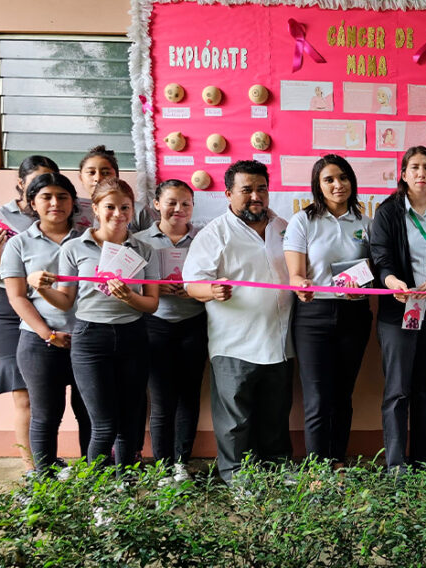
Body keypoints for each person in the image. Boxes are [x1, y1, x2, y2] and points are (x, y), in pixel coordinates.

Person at [28, 178, 160, 467]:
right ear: (96, 209)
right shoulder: (74, 248)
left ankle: (124, 487)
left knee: (129, 424)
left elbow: (152, 304)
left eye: (125, 207)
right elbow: (65, 301)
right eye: (110, 206)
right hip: (90, 338)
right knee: (103, 425)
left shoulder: (145, 250)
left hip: (133, 335)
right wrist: (41, 287)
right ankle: (97, 493)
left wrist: (128, 298)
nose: (118, 213)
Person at [183, 160, 294, 483]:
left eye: (261, 189)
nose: (255, 196)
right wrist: (211, 290)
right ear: (228, 193)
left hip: (280, 339)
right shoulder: (214, 233)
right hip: (234, 342)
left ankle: (277, 467)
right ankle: (237, 476)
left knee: (276, 413)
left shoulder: (283, 227)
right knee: (235, 418)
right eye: (246, 190)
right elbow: (192, 284)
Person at [370, 146, 426, 473]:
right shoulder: (389, 212)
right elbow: (380, 256)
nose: (421, 173)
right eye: (414, 167)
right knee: (397, 391)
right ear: (404, 174)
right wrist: (393, 281)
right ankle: (396, 464)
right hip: (400, 313)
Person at [0, 156, 56, 473]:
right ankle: (32, 468)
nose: (42, 189)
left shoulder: (62, 211)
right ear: (20, 184)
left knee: (54, 395)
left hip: (51, 303)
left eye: (48, 181)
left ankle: (51, 460)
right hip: (8, 305)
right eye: (34, 182)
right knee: (24, 397)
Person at [284, 155, 372, 465]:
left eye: (343, 177)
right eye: (329, 179)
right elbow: (295, 274)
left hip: (355, 315)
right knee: (318, 397)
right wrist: (301, 284)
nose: (338, 184)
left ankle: (337, 460)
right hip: (313, 316)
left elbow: (373, 267)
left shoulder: (365, 222)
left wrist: (361, 285)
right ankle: (316, 465)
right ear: (318, 186)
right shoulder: (303, 220)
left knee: (342, 395)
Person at [0, 172, 85, 474]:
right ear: (32, 203)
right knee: (46, 415)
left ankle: (92, 476)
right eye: (46, 197)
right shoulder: (18, 245)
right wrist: (48, 334)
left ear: (73, 202)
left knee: (88, 413)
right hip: (39, 342)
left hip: (86, 340)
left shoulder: (88, 239)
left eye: (62, 197)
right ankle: (44, 481)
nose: (55, 203)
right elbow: (17, 297)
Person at [134, 180, 206, 482]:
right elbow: (128, 285)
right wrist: (157, 289)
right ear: (157, 205)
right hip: (155, 325)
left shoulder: (203, 239)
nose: (179, 209)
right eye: (172, 202)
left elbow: (214, 276)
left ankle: (181, 463)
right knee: (162, 400)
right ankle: (163, 465)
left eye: (186, 203)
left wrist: (193, 290)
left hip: (194, 323)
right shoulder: (138, 240)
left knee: (190, 397)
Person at [77, 145, 155, 233]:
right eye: (91, 172)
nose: (98, 178)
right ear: (81, 177)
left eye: (106, 173)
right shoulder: (75, 211)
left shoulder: (139, 211)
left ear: (117, 176)